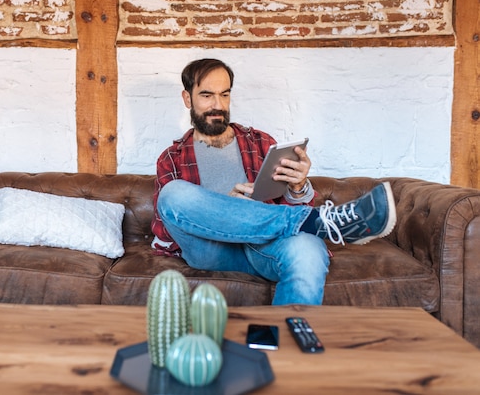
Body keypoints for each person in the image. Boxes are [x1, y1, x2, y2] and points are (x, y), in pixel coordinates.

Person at [151, 58, 397, 305]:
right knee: (173, 195)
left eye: (224, 95)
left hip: (266, 247)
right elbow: (166, 233)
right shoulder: (172, 159)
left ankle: (287, 339)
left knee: (308, 249)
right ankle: (319, 221)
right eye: (206, 95)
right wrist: (227, 208)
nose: (218, 105)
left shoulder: (259, 142)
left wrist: (298, 187)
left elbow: (290, 212)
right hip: (213, 251)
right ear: (187, 98)